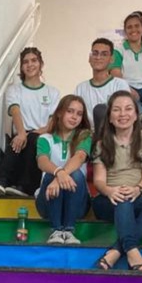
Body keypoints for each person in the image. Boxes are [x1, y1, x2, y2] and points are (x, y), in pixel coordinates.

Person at [92, 91, 142, 270]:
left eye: (128, 109)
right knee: (122, 198)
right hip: (107, 199)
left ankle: (116, 251)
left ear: (136, 115)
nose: (123, 114)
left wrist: (138, 189)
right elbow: (99, 181)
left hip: (136, 194)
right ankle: (132, 250)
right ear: (109, 117)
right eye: (117, 110)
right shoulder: (101, 144)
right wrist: (110, 191)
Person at [0, 47, 60, 197]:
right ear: (21, 67)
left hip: (43, 135)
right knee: (16, 141)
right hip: (22, 133)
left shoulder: (52, 92)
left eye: (34, 60)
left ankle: (24, 187)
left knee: (32, 139)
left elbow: (52, 123)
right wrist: (22, 133)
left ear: (41, 64)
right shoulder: (14, 90)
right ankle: (1, 181)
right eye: (25, 62)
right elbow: (15, 111)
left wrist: (31, 134)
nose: (30, 65)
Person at [35, 95, 92, 244]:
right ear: (60, 113)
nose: (74, 117)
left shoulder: (84, 136)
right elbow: (42, 161)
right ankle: (56, 231)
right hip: (48, 202)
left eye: (79, 114)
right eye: (70, 111)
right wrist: (58, 173)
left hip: (77, 203)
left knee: (76, 175)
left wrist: (61, 175)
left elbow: (80, 156)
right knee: (49, 176)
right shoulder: (45, 138)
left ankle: (69, 231)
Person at [109, 11, 142, 114]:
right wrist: (128, 89)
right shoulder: (118, 51)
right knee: (129, 101)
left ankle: (141, 112)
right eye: (129, 27)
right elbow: (116, 75)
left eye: (137, 26)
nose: (133, 29)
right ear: (125, 31)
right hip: (126, 89)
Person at [74, 37, 131, 134]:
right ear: (89, 58)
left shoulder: (120, 85)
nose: (98, 57)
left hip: (113, 133)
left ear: (111, 59)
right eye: (95, 53)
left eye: (104, 54)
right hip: (87, 135)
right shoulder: (80, 88)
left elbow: (124, 115)